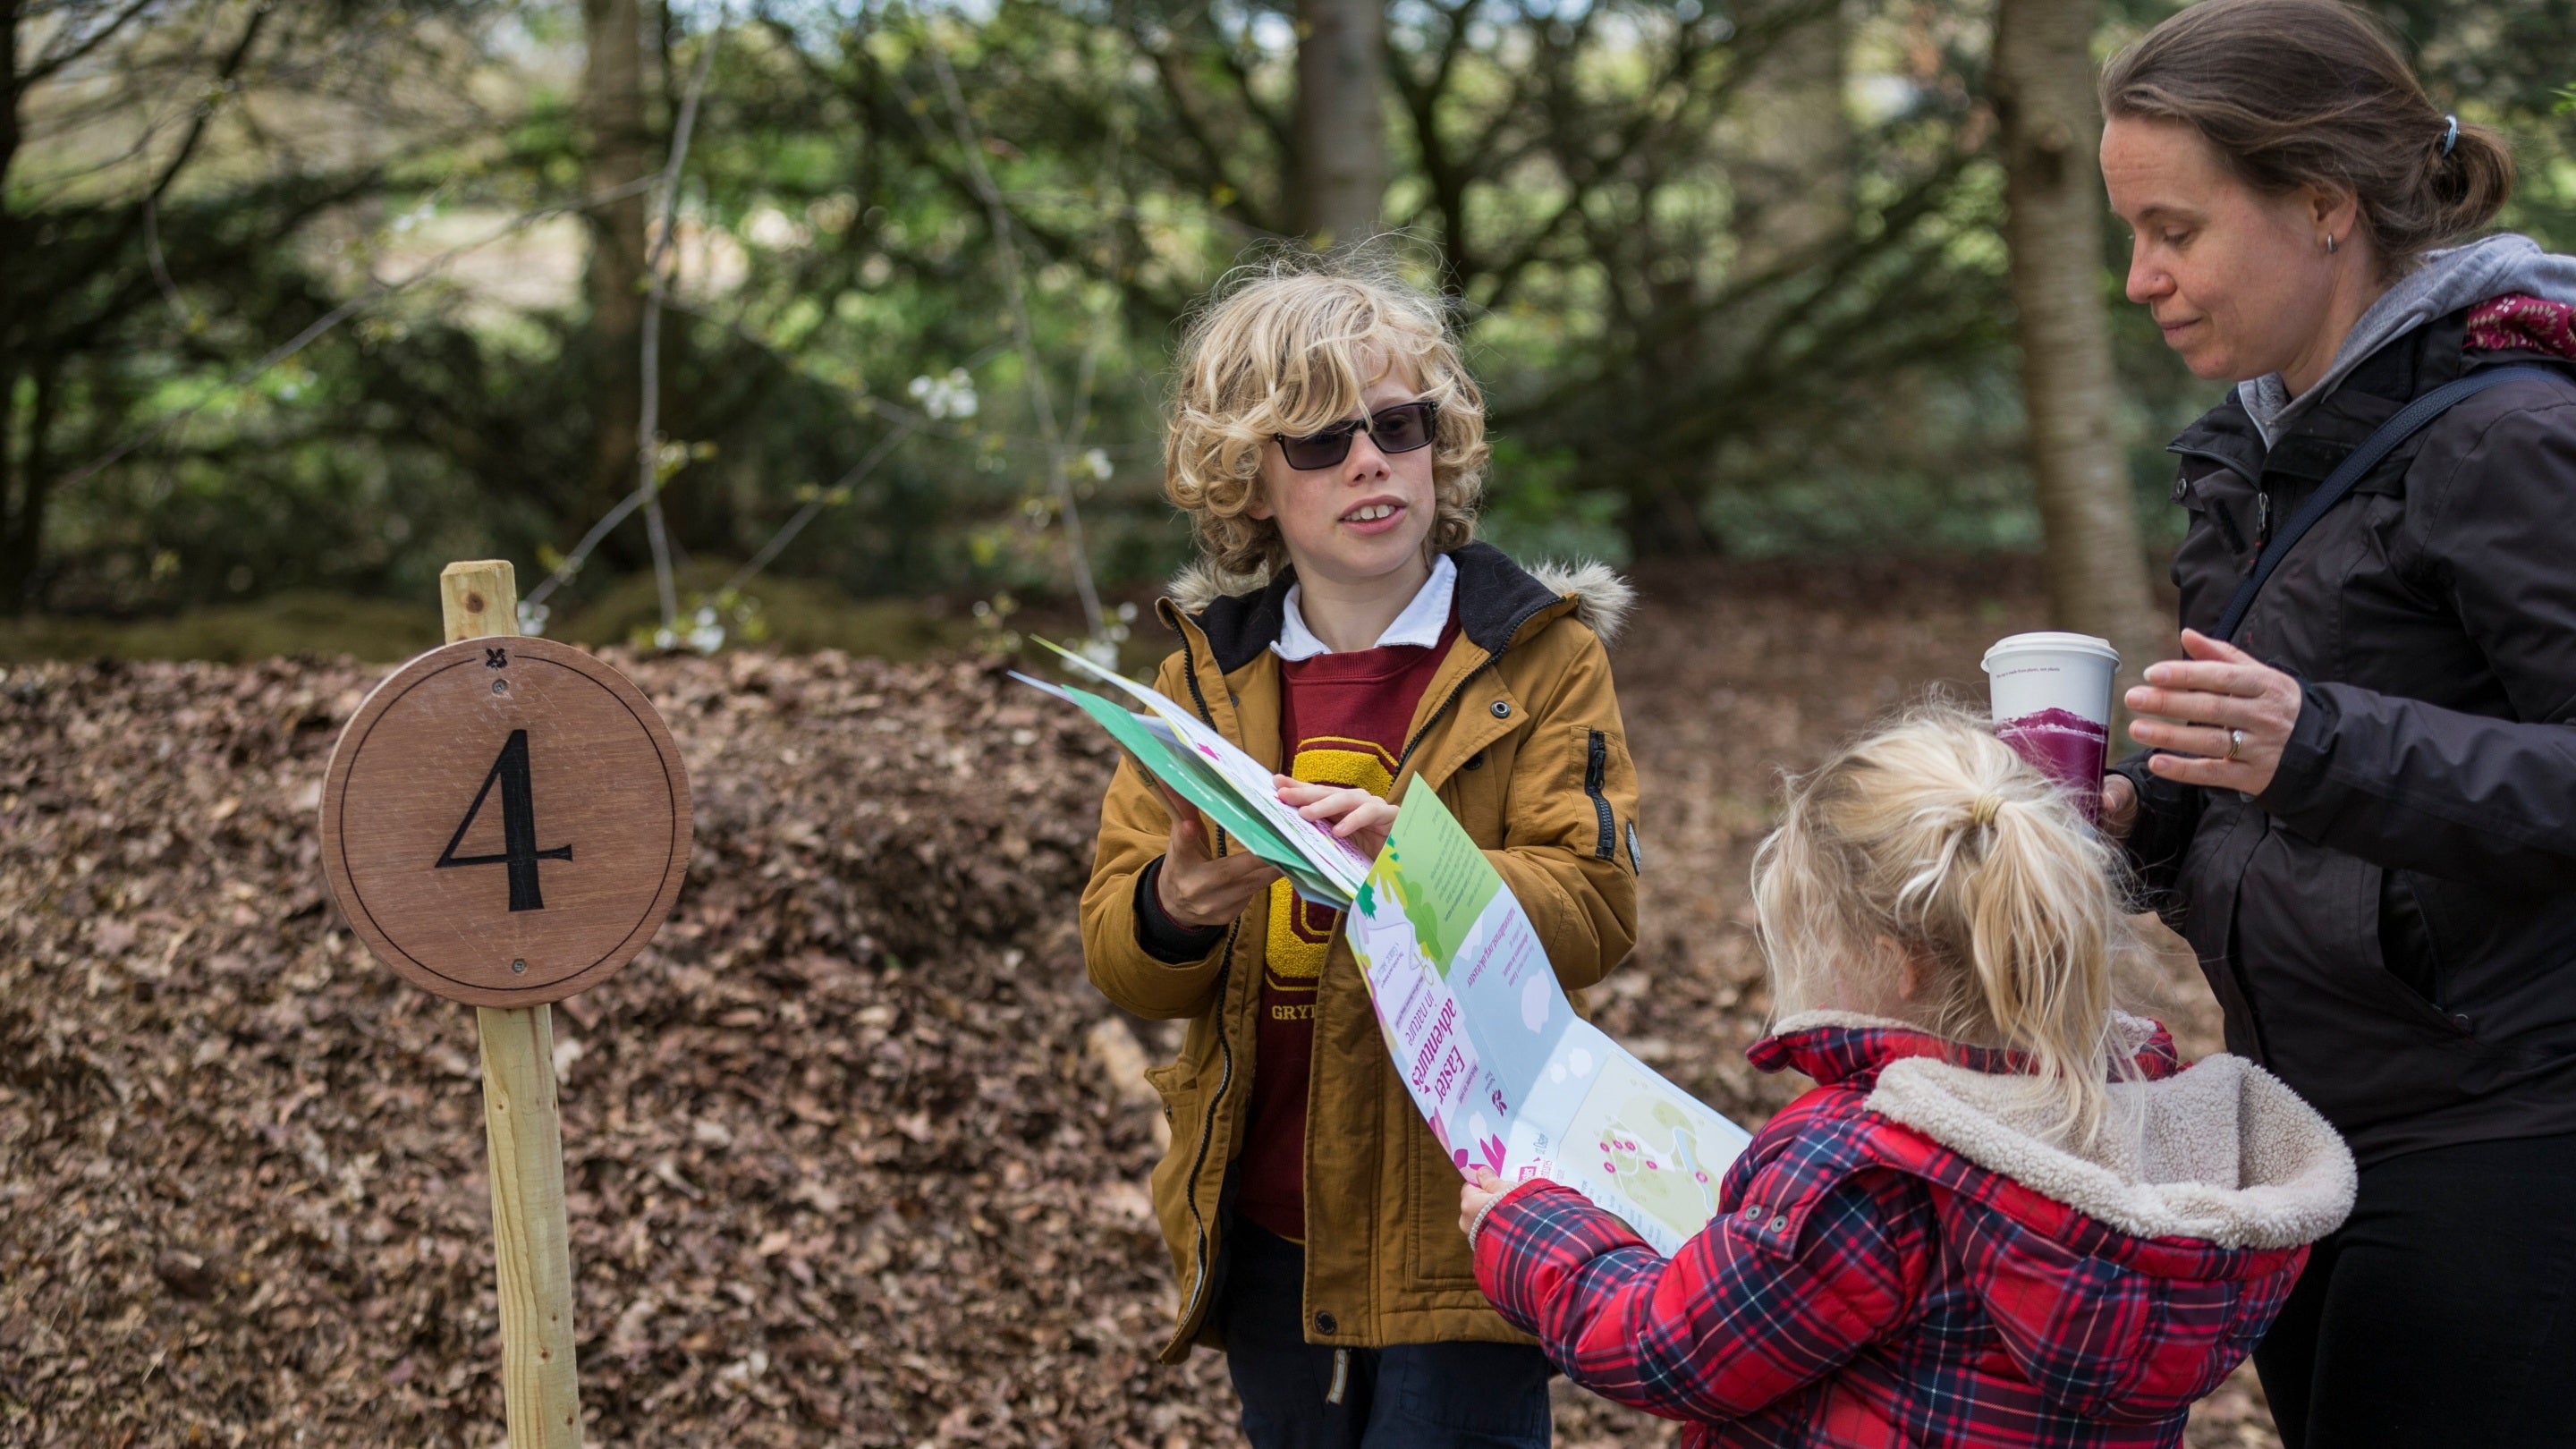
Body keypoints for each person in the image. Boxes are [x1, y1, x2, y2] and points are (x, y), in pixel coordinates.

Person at [2094, 1, 2576, 1442]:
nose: (2140, 279)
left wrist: (2323, 745)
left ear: (2321, 205)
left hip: (2508, 1140)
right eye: (2130, 234)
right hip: (2305, 1130)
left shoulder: (2511, 438)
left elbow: (2343, 747)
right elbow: (2285, 780)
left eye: (2175, 229)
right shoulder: (2257, 448)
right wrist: (2140, 820)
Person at [1078, 253, 1646, 1448]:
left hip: (1466, 1223)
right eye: (1320, 442)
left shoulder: (1538, 660)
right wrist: (1178, 902)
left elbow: (1598, 909)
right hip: (1270, 1219)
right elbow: (1124, 962)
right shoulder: (1201, 680)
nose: (1372, 461)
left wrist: (1423, 863)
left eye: (1399, 424)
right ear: (1248, 482)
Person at [1460, 709, 2355, 1448]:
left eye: (1811, 934)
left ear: (1895, 965)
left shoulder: (1864, 1168)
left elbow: (1667, 1348)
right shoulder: (2138, 1104)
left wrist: (1531, 1227)